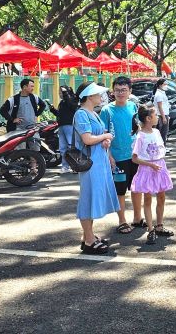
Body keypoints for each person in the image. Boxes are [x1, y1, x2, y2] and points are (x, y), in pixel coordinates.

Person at [73, 82, 119, 255]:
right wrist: (106, 136)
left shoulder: (92, 112)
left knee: (92, 198)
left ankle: (88, 237)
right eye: (98, 94)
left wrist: (105, 142)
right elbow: (87, 139)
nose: (101, 97)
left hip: (99, 160)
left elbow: (96, 137)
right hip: (90, 163)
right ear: (90, 96)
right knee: (88, 199)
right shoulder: (81, 114)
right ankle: (89, 240)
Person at [99, 76, 142, 234]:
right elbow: (103, 135)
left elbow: (137, 128)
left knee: (137, 188)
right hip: (117, 158)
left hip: (135, 156)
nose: (120, 93)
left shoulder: (133, 106)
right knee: (120, 191)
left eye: (124, 90)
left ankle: (138, 218)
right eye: (117, 90)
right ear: (113, 92)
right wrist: (109, 155)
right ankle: (122, 221)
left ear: (130, 91)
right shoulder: (106, 110)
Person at [131, 104, 174, 244]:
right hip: (148, 169)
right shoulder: (140, 136)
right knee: (148, 199)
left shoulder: (156, 132)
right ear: (148, 118)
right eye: (155, 115)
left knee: (161, 197)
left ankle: (159, 225)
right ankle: (150, 229)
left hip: (159, 167)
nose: (157, 118)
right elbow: (135, 158)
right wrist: (150, 164)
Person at [0, 78, 47, 151]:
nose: (33, 88)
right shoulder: (13, 99)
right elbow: (2, 110)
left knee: (35, 149)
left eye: (33, 86)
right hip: (18, 129)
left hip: (32, 128)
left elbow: (43, 105)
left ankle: (34, 162)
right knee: (20, 151)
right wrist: (12, 120)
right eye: (31, 86)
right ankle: (22, 162)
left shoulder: (34, 97)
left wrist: (36, 114)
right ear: (24, 87)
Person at [53, 85, 78, 174]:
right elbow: (60, 114)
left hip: (69, 125)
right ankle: (65, 166)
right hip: (61, 126)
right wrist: (53, 110)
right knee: (63, 148)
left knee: (71, 146)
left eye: (62, 92)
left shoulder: (71, 100)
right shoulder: (62, 102)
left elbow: (72, 106)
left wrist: (66, 94)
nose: (60, 94)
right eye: (59, 92)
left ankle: (75, 166)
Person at [153, 78, 170, 145]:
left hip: (164, 114)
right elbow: (160, 107)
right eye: (165, 84)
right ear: (160, 85)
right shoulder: (159, 94)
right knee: (162, 133)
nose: (166, 86)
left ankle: (163, 147)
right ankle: (161, 147)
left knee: (164, 133)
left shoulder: (162, 93)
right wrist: (163, 117)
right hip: (161, 115)